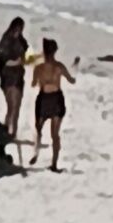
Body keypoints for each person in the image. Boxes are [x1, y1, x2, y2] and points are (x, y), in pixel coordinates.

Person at [29, 34, 69, 168]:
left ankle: (36, 153)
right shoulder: (59, 66)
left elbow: (33, 84)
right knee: (55, 134)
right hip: (56, 99)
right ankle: (54, 163)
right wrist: (75, 66)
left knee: (39, 128)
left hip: (44, 99)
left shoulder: (38, 68)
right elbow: (71, 80)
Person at [0, 13, 28, 141]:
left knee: (16, 107)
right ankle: (8, 131)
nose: (18, 31)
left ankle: (11, 131)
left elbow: (27, 56)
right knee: (12, 106)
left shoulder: (22, 41)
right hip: (8, 77)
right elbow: (5, 61)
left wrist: (25, 60)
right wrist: (18, 62)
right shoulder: (6, 41)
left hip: (18, 76)